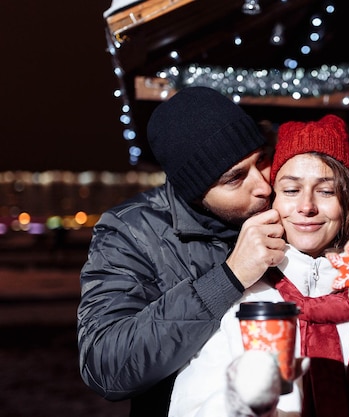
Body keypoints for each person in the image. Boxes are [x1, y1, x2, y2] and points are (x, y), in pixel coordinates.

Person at [168, 114, 349, 416]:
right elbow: (187, 407)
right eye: (291, 190)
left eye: (326, 191)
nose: (306, 206)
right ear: (273, 203)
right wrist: (243, 406)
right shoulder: (245, 305)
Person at [76, 86, 288, 417]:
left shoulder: (287, 207)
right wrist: (228, 278)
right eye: (235, 179)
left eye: (261, 160)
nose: (263, 186)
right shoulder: (130, 231)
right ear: (195, 190)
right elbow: (106, 368)